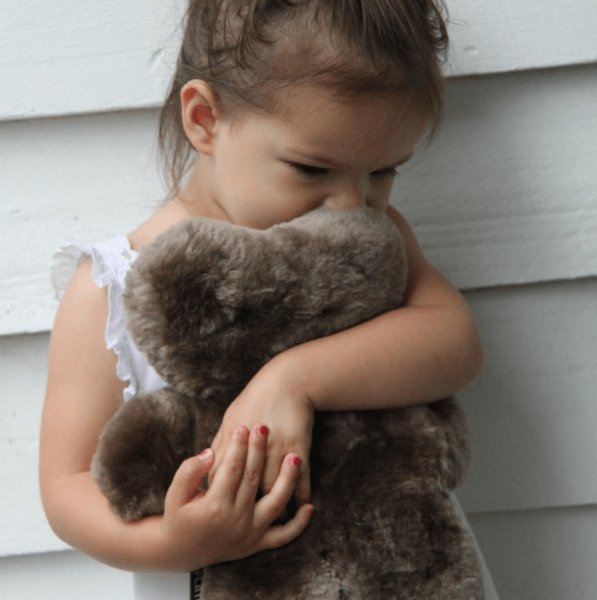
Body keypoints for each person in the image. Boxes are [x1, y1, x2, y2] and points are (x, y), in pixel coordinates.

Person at [40, 1, 498, 598]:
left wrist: (292, 380)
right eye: (311, 170)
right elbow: (65, 486)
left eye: (383, 173)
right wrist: (169, 544)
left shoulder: (370, 243)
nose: (350, 206)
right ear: (204, 119)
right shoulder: (113, 286)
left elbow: (454, 342)